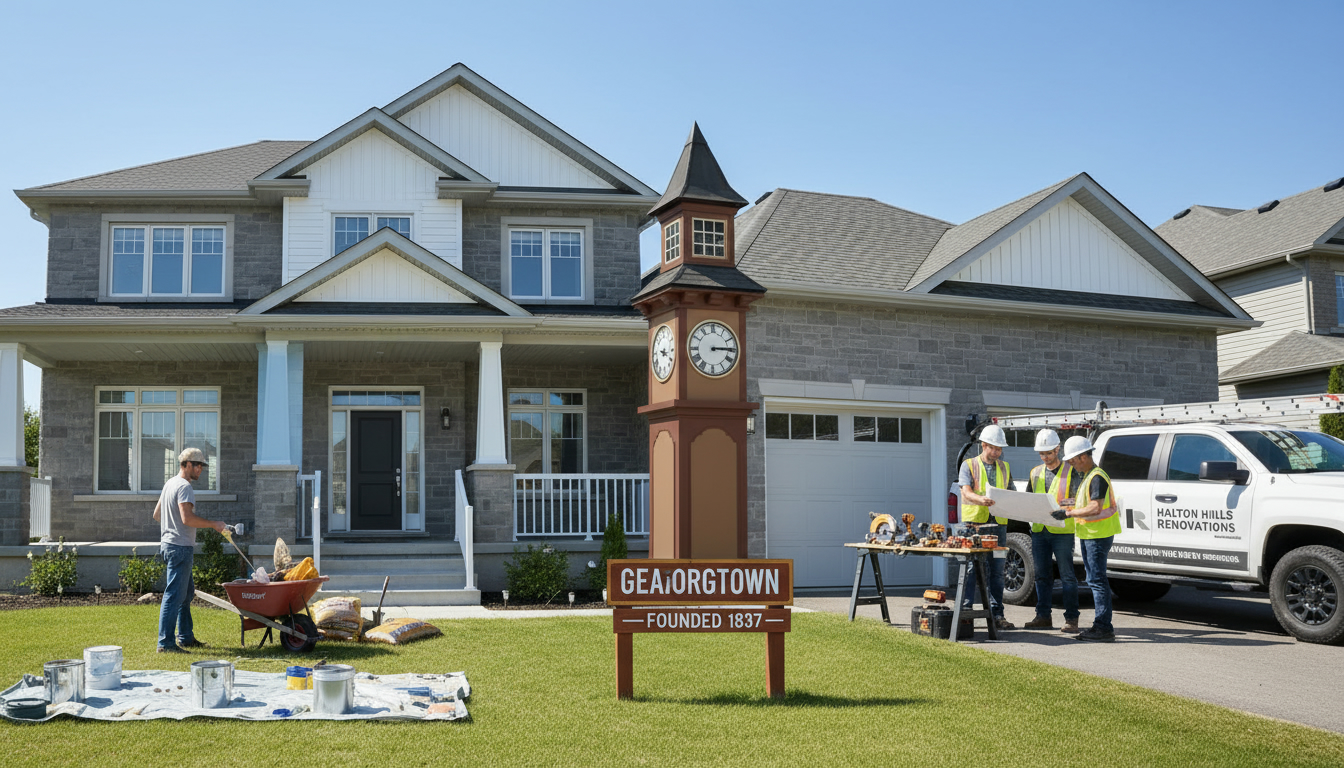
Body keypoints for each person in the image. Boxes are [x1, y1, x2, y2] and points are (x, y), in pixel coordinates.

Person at [153, 447, 227, 653]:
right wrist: (214, 524)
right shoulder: (184, 486)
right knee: (174, 595)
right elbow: (187, 519)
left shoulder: (169, 484)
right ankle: (165, 643)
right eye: (197, 465)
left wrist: (172, 523)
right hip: (180, 547)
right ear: (186, 464)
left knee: (186, 594)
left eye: (202, 466)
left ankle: (185, 637)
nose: (200, 469)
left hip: (169, 545)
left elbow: (157, 514)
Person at [1051, 435, 1121, 642]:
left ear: (1083, 457)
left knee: (1097, 581)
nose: (1071, 464)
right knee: (1095, 580)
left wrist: (1069, 514)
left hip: (1097, 536)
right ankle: (1102, 626)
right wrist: (1069, 509)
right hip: (1092, 535)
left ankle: (1103, 627)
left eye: (1072, 460)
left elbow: (1095, 507)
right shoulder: (1089, 476)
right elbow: (1087, 505)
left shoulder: (1096, 477)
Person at [1023, 429, 1080, 633]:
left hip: (1063, 531)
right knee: (1041, 575)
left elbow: (1076, 500)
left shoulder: (1072, 471)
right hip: (1039, 530)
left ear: (1058, 449)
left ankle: (1072, 619)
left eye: (1048, 453)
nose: (1045, 457)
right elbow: (1030, 497)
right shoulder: (1035, 472)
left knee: (1067, 576)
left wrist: (1062, 508)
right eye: (1042, 454)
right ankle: (1043, 616)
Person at [958, 424, 1013, 630]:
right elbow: (965, 492)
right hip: (974, 526)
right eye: (993, 448)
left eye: (1000, 449)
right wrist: (980, 500)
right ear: (983, 445)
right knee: (971, 569)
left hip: (998, 526)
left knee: (997, 572)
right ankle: (966, 613)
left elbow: (1011, 492)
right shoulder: (969, 464)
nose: (997, 452)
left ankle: (997, 615)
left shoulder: (1005, 467)